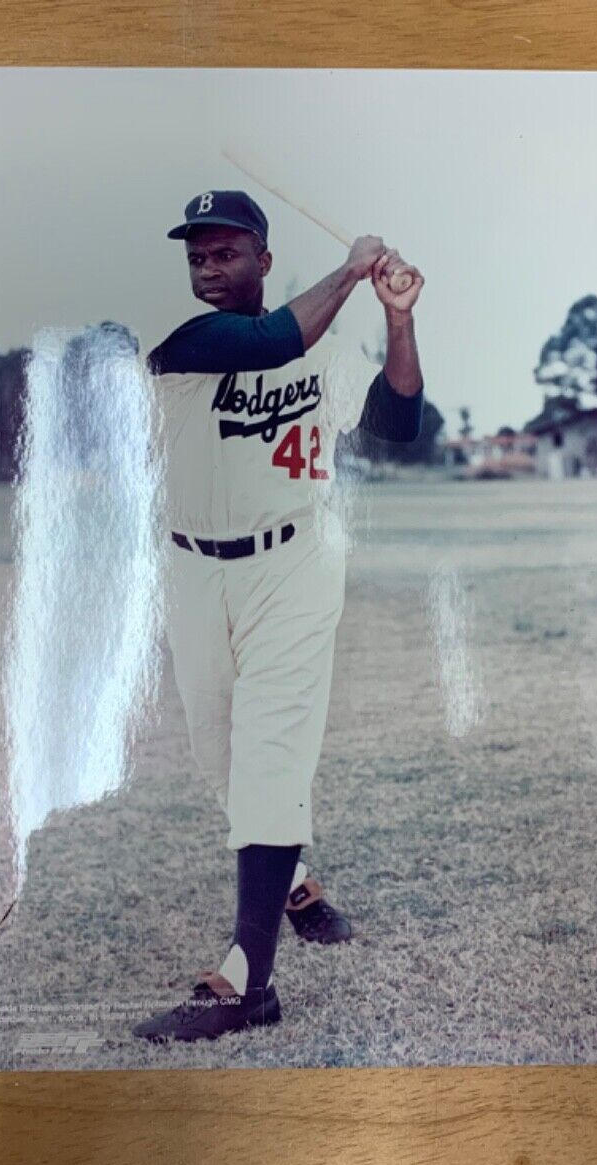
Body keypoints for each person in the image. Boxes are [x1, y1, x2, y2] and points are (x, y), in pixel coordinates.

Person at [133, 189, 425, 1043]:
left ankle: (245, 981)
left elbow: (397, 419)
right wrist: (353, 264)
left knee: (268, 757)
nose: (208, 268)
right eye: (198, 255)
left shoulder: (319, 354)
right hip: (193, 569)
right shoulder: (188, 339)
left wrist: (397, 316)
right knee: (220, 756)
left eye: (227, 253)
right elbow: (267, 342)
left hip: (294, 566)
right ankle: (294, 883)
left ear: (264, 257)